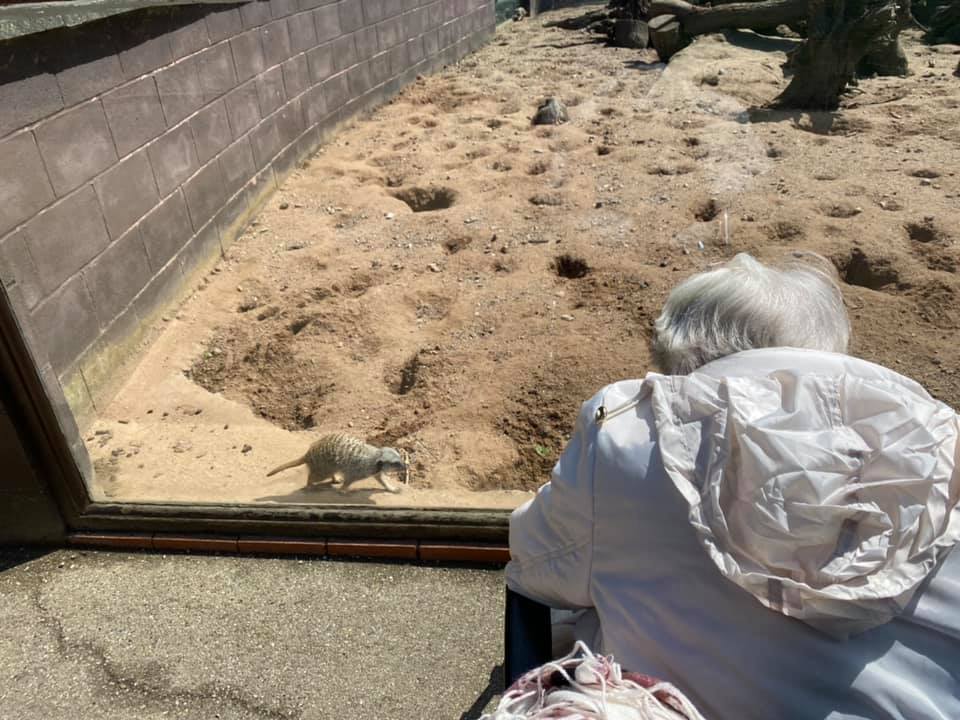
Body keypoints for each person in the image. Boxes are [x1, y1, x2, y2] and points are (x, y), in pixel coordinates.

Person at [506, 252, 960, 720]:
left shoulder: (626, 434)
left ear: (675, 351)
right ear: (827, 349)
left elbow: (535, 563)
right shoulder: (941, 444)